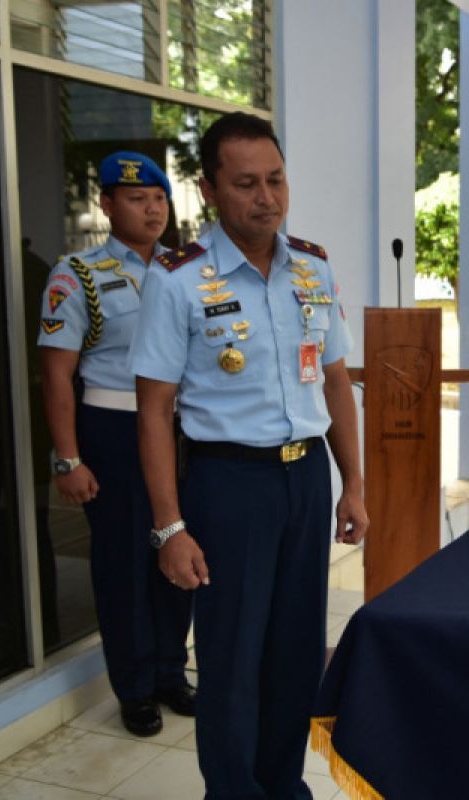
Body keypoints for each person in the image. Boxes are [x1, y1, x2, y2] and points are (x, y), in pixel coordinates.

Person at [128, 112, 368, 798]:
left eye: (276, 180)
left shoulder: (313, 266)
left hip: (305, 480)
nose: (266, 197)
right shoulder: (178, 280)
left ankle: (281, 785)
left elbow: (333, 380)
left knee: (294, 653)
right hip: (228, 483)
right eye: (246, 184)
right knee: (232, 658)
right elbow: (154, 411)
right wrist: (170, 527)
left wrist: (353, 484)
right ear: (208, 189)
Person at [38, 151, 194, 736]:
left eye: (158, 199)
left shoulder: (187, 268)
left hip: (183, 431)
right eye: (136, 199)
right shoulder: (76, 274)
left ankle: (171, 673)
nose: (152, 209)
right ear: (106, 205)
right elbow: (56, 375)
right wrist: (68, 457)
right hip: (115, 429)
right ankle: (134, 688)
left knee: (179, 553)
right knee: (127, 561)